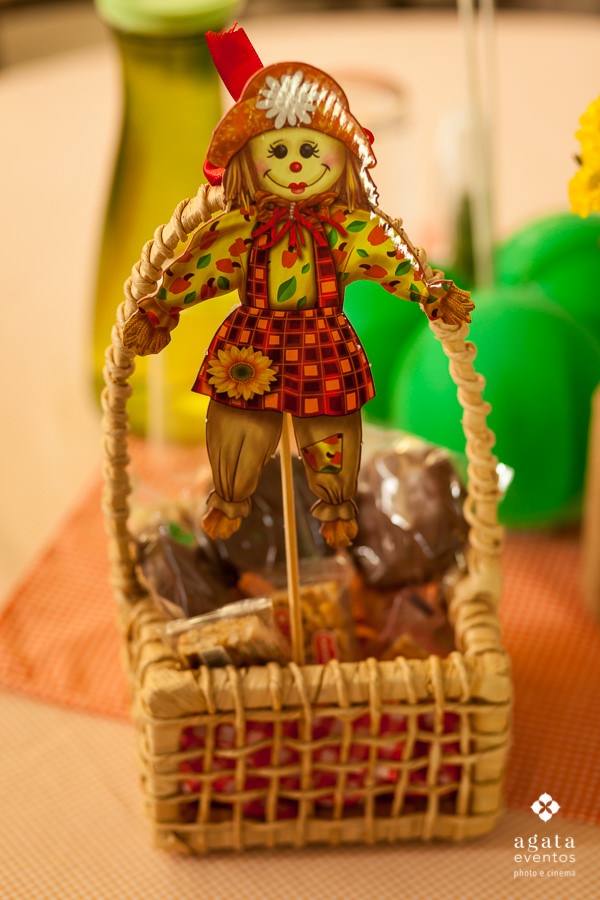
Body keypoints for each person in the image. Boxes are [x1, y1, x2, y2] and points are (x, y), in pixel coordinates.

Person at [123, 57, 473, 548]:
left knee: (330, 427)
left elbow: (389, 257)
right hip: (252, 342)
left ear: (342, 157)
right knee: (237, 422)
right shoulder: (242, 227)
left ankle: (336, 505)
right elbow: (204, 263)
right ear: (248, 160)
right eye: (278, 150)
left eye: (309, 150)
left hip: (322, 339)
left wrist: (428, 291)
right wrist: (162, 307)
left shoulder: (347, 228)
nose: (294, 164)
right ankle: (229, 497)